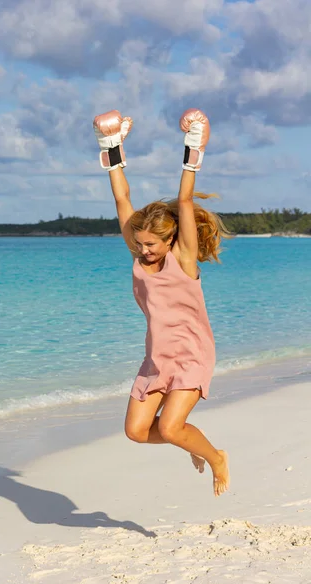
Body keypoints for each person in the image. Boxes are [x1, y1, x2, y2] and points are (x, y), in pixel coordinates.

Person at [93, 108, 230, 497]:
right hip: (157, 357)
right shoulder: (138, 253)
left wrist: (192, 148)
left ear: (170, 241)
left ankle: (216, 456)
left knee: (169, 426)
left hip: (191, 354)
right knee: (136, 431)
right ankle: (190, 440)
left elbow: (184, 201)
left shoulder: (183, 260)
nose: (142, 250)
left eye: (151, 244)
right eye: (138, 243)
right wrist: (111, 146)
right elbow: (122, 197)